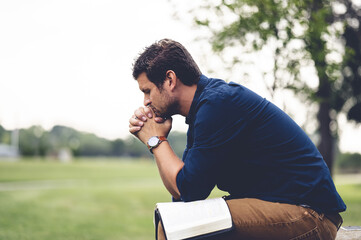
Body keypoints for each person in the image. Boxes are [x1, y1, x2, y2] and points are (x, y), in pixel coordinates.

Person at [128, 39, 346, 239]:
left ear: (170, 79)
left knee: (173, 226)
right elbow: (184, 196)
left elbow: (188, 190)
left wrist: (155, 140)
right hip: (290, 209)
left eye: (147, 91)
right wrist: (158, 138)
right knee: (174, 220)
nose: (146, 102)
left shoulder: (217, 104)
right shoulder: (204, 108)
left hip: (311, 215)